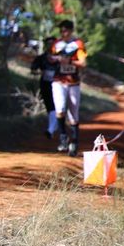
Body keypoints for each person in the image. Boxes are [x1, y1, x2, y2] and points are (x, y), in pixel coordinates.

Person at [50, 20, 87, 157]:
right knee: (59, 109)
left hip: (73, 82)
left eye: (65, 30)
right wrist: (55, 59)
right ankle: (63, 137)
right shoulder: (56, 44)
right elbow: (50, 57)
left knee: (73, 114)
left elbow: (83, 63)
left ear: (71, 30)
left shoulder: (78, 44)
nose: (63, 33)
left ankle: (75, 142)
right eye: (61, 30)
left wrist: (70, 61)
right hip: (58, 81)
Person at [31, 36, 59, 139]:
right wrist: (41, 72)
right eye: (49, 43)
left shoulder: (61, 58)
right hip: (46, 84)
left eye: (53, 43)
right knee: (50, 106)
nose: (51, 45)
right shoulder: (41, 58)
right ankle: (52, 127)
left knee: (56, 105)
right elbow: (33, 69)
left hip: (59, 86)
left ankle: (51, 129)